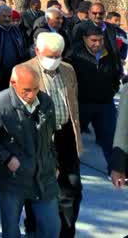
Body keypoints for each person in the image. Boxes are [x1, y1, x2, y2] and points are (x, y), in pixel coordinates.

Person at [0, 64, 59, 238]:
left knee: (51, 229)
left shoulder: (45, 102)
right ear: (13, 83)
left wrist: (54, 162)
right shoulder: (0, 104)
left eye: (36, 89)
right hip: (13, 180)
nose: (32, 95)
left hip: (44, 176)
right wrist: (6, 158)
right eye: (26, 90)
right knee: (11, 231)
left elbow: (50, 136)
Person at [25, 32, 83, 237]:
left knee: (72, 188)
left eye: (58, 55)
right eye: (50, 55)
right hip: (39, 139)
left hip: (66, 135)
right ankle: (34, 231)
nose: (54, 60)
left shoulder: (68, 70)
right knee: (37, 190)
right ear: (38, 51)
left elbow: (73, 103)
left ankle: (66, 233)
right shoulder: (25, 71)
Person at [66, 20, 121, 170]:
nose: (98, 43)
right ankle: (68, 168)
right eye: (94, 40)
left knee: (110, 138)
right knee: (73, 138)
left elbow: (116, 74)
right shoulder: (74, 55)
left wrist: (111, 90)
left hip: (105, 104)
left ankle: (117, 170)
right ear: (84, 39)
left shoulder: (108, 53)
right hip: (83, 104)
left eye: (101, 39)